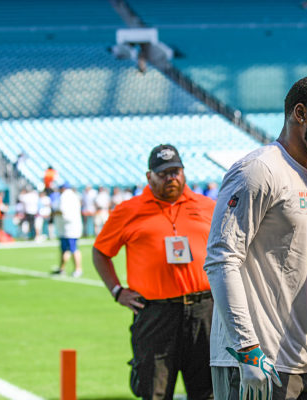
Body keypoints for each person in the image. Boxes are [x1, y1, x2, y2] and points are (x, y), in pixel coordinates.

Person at [203, 76, 307, 399]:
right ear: (300, 113)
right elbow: (221, 258)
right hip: (257, 358)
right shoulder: (259, 170)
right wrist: (247, 349)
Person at [92, 144, 215, 400]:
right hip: (156, 314)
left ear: (184, 172)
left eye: (175, 171)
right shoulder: (129, 210)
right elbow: (101, 252)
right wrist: (117, 291)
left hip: (206, 310)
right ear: (149, 177)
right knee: (154, 391)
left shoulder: (207, 206)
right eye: (163, 173)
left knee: (209, 391)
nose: (171, 178)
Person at [51, 183, 83, 277]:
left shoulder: (65, 197)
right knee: (65, 249)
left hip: (69, 228)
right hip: (67, 228)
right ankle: (62, 268)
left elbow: (62, 210)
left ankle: (78, 268)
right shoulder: (73, 196)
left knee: (73, 249)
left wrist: (54, 212)